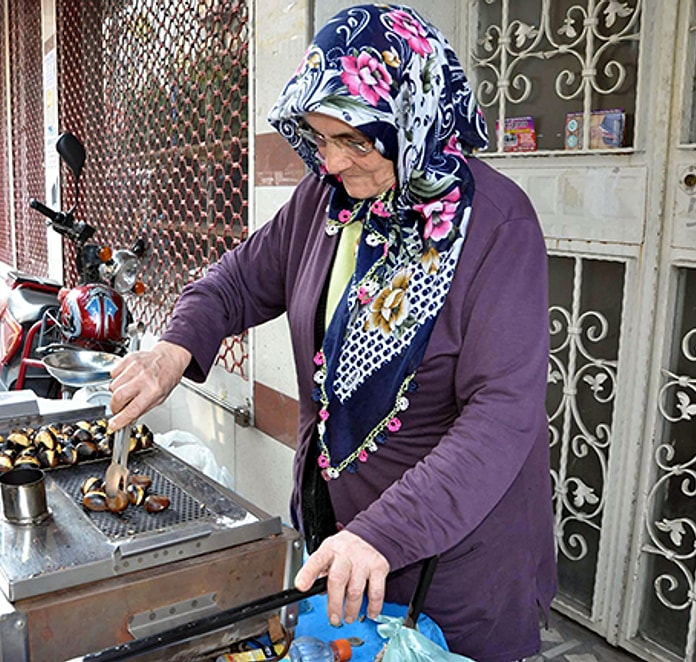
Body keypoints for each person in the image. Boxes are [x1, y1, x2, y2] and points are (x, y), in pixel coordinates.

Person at [106, 5, 556, 661]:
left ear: (414, 117)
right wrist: (176, 347)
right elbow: (238, 279)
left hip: (451, 556)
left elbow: (503, 413)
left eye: (355, 140)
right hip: (341, 536)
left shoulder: (497, 225)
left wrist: (386, 530)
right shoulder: (326, 201)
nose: (332, 160)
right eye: (319, 138)